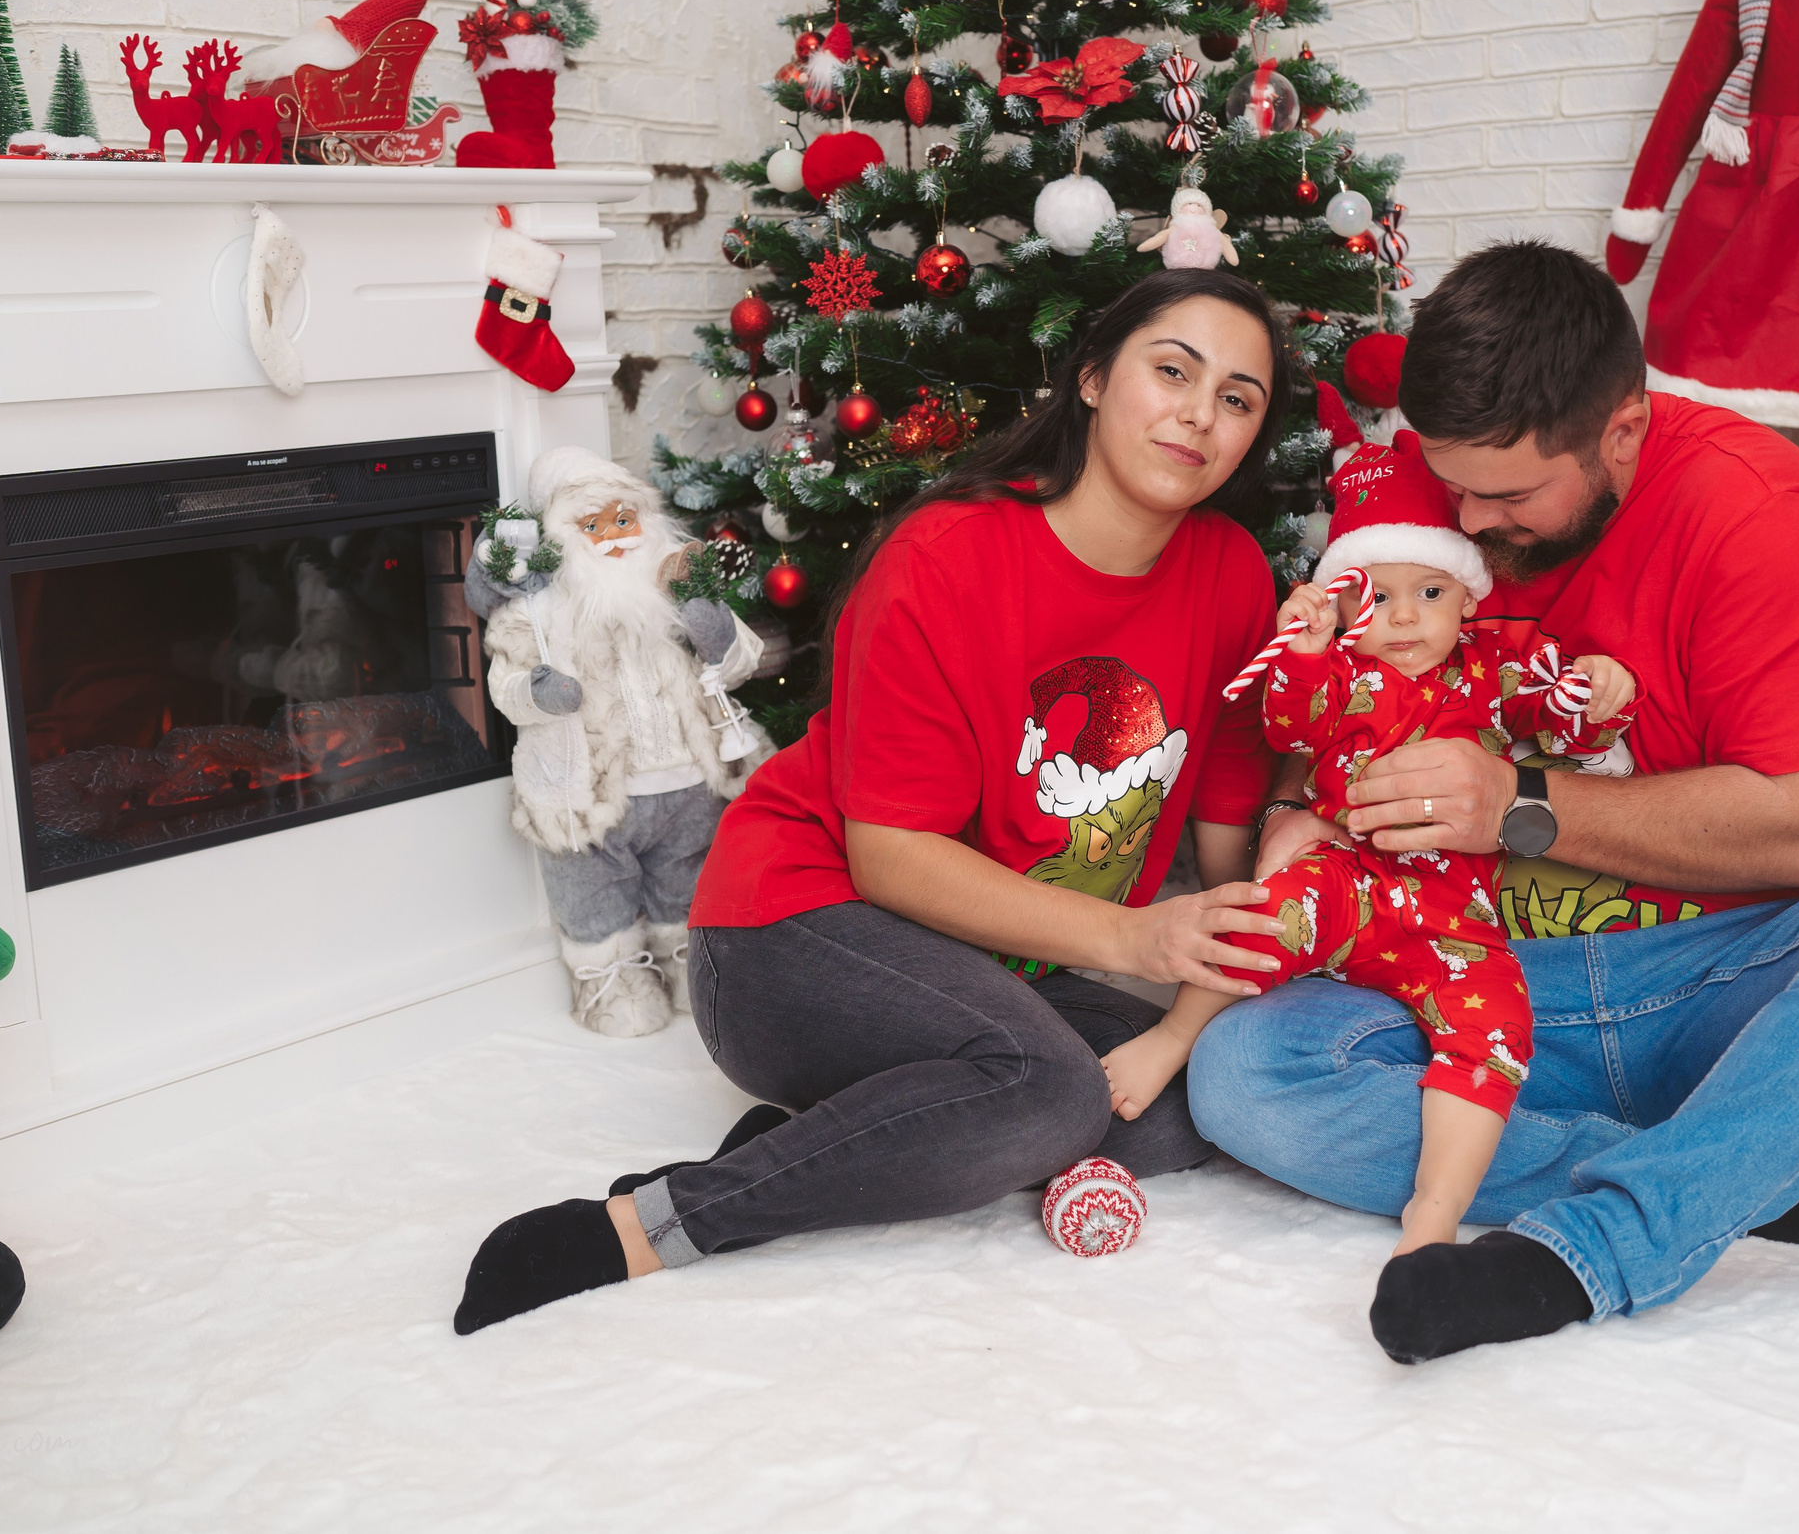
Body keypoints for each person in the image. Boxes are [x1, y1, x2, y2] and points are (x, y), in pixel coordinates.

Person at [1186, 240, 1799, 1365]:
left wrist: (1515, 804)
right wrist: (1297, 806)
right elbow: (1325, 686)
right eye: (1453, 489)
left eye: (1505, 494)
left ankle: (1591, 1248)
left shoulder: (1756, 516)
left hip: (1708, 982)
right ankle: (1739, 1176)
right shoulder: (1425, 506)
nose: (1473, 524)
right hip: (1478, 986)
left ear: (1621, 431)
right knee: (1244, 1071)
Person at [454, 269, 1293, 1335]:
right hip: (788, 930)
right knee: (1053, 1096)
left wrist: (1184, 1019)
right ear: (1091, 378)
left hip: (975, 963)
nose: (1197, 413)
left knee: (1185, 1110)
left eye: (1237, 398)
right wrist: (1135, 939)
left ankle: (829, 1130)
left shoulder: (1232, 577)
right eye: (1171, 372)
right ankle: (658, 1224)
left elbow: (1233, 877)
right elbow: (891, 856)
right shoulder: (948, 557)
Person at [1093, 427, 1638, 1261]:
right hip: (1347, 875)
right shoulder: (1346, 675)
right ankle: (1174, 1038)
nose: (1405, 617)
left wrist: (1597, 694)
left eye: (1430, 592)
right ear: (1347, 601)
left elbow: (1559, 717)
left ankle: (1437, 1206)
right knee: (1266, 910)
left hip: (1454, 913)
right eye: (1377, 597)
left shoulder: (1493, 668)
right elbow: (1289, 722)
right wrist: (1307, 651)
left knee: (1495, 1023)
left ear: (1468, 597)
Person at [475, 446, 768, 1039]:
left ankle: (688, 959)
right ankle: (608, 979)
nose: (613, 538)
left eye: (624, 520)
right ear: (562, 536)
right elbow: (506, 688)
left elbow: (740, 659)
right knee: (591, 890)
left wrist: (704, 615)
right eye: (592, 525)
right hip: (589, 791)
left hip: (688, 783)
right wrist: (540, 691)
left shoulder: (674, 585)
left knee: (686, 880)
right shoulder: (539, 610)